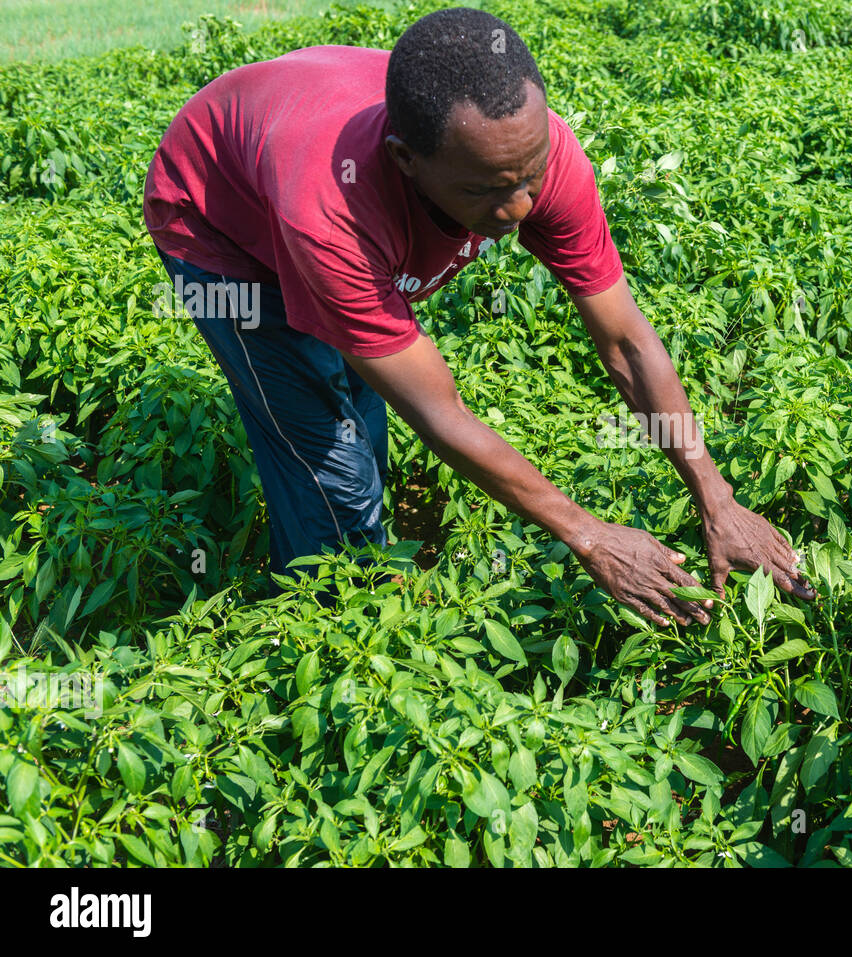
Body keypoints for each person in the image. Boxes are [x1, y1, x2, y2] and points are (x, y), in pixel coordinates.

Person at [143, 6, 812, 627]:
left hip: (300, 136)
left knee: (357, 391)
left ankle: (363, 547)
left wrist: (715, 495)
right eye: (486, 190)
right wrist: (589, 534)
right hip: (219, 225)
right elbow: (439, 412)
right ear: (407, 161)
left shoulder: (527, 152)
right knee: (326, 460)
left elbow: (629, 344)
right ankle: (332, 624)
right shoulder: (332, 214)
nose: (518, 208)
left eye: (529, 177)